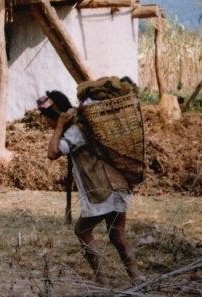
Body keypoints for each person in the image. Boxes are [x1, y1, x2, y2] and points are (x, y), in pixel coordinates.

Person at [38, 90, 143, 285]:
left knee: (82, 231)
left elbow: (52, 153)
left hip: (102, 190)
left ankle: (101, 279)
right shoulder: (85, 126)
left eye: (48, 119)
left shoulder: (75, 131)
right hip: (117, 186)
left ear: (56, 114)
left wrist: (59, 125)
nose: (47, 124)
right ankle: (137, 278)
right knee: (117, 235)